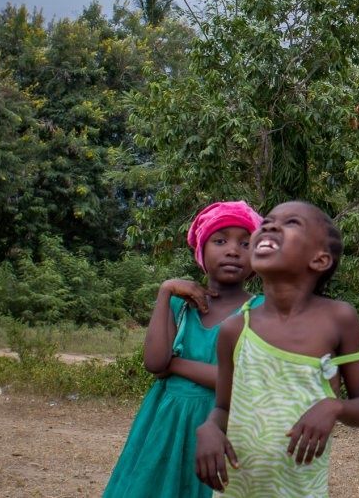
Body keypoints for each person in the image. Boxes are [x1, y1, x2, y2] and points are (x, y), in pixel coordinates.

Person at [195, 201, 359, 497]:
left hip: (301, 491)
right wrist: (210, 428)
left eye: (292, 223)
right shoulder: (234, 329)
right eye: (267, 221)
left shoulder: (339, 319)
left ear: (319, 260)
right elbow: (224, 408)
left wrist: (333, 406)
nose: (269, 225)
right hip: (237, 491)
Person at [104, 201, 263, 498]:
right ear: (201, 251)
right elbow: (154, 362)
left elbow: (240, 380)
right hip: (167, 422)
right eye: (220, 240)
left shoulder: (260, 311)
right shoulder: (179, 306)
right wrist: (165, 291)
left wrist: (175, 366)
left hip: (227, 424)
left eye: (246, 243)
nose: (233, 250)